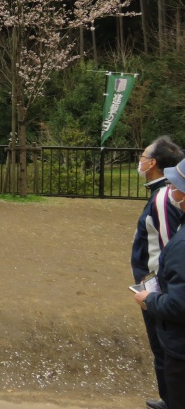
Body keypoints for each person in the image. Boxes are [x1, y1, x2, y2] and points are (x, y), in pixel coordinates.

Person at [131, 136, 184, 409]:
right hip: (163, 289)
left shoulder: (163, 197)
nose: (139, 162)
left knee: (164, 346)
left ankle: (171, 400)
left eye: (142, 157)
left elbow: (167, 247)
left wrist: (154, 291)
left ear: (152, 163)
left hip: (160, 290)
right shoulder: (163, 192)